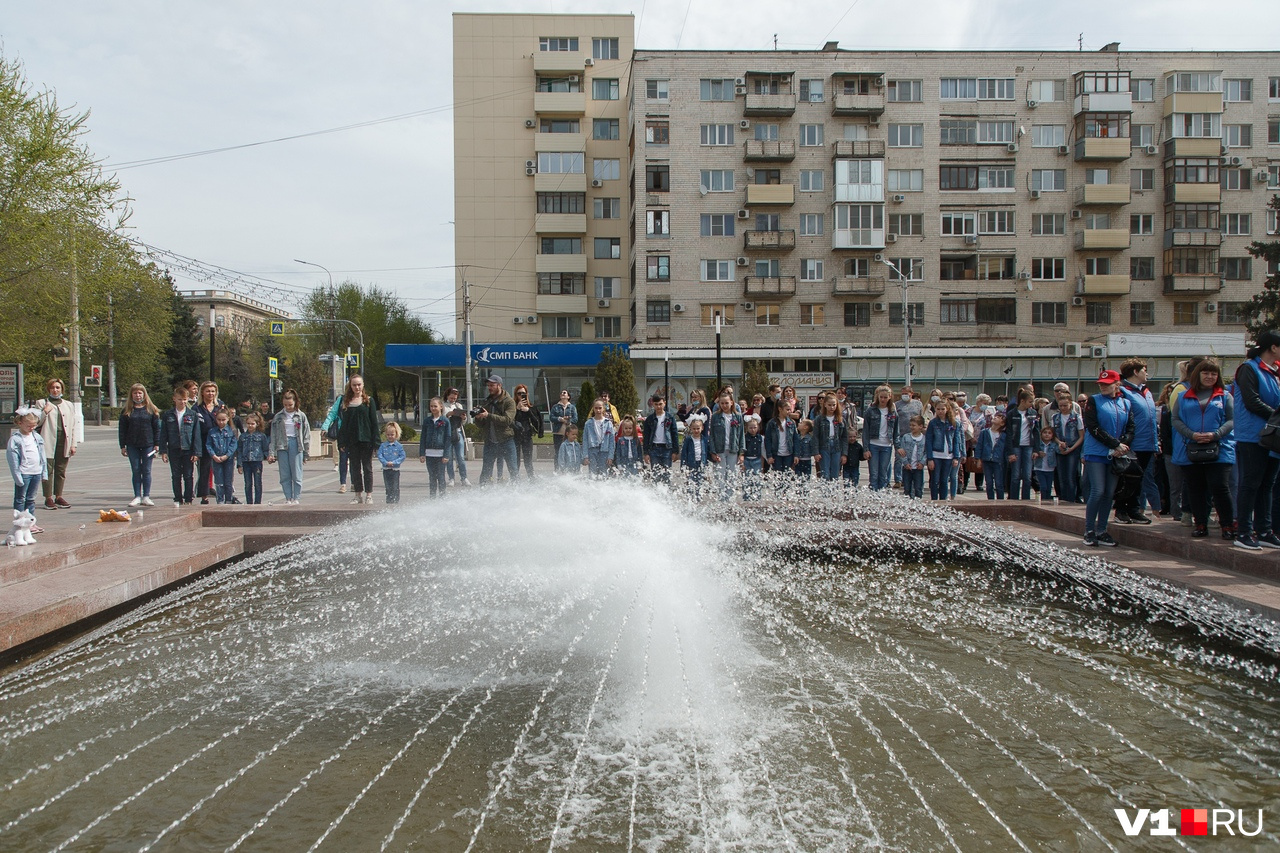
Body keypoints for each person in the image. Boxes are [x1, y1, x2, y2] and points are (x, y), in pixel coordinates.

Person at [1171, 358, 1238, 543]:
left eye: (1213, 373)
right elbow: (1175, 419)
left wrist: (1215, 434)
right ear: (1197, 374)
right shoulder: (1183, 396)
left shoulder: (1225, 396)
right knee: (1196, 488)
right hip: (1191, 448)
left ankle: (1227, 525)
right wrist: (1191, 434)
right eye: (1206, 373)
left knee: (1220, 487)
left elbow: (1231, 420)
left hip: (1220, 449)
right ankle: (1200, 524)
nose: (1209, 377)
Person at [1232, 331, 1280, 548]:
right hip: (1253, 435)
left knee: (1267, 484)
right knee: (1251, 484)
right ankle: (1243, 532)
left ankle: (1264, 530)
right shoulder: (1248, 368)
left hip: (1273, 436)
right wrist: (1277, 418)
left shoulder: (1272, 372)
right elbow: (1252, 401)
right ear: (1273, 347)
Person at [1082, 370, 1135, 547]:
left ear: (1117, 385)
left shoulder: (1126, 403)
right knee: (1098, 490)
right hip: (1096, 452)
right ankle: (1089, 530)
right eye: (1101, 384)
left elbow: (1130, 427)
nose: (1103, 387)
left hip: (1116, 454)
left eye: (1107, 384)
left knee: (1109, 493)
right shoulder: (1094, 401)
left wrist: (1123, 444)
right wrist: (1114, 444)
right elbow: (1092, 426)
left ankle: (1102, 530)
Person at [1113, 358, 1158, 525]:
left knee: (1139, 478)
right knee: (1128, 478)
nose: (1146, 373)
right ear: (1135, 372)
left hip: (1148, 442)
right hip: (1133, 443)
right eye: (1144, 370)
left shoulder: (1146, 392)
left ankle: (1134, 509)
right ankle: (1121, 510)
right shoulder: (1124, 392)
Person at [34, 378, 79, 510]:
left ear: (62, 389)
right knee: (47, 470)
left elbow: (72, 426)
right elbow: (35, 422)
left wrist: (73, 444)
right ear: (49, 389)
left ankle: (58, 496)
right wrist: (44, 412)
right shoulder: (42, 403)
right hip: (47, 440)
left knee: (61, 470)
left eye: (58, 387)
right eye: (53, 387)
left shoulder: (68, 405)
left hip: (64, 440)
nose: (55, 390)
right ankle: (48, 498)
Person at [338, 374, 380, 504]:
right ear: (350, 386)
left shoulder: (368, 401)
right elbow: (344, 424)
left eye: (359, 384)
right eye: (354, 385)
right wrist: (342, 441)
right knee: (355, 468)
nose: (357, 387)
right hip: (352, 440)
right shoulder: (347, 402)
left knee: (367, 468)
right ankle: (357, 494)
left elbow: (374, 422)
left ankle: (369, 495)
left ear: (363, 385)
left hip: (366, 440)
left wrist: (376, 442)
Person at [118, 383, 161, 507]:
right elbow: (122, 430)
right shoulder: (126, 411)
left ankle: (146, 496)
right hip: (132, 445)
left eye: (140, 393)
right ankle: (137, 496)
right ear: (131, 395)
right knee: (136, 470)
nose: (138, 395)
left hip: (148, 444)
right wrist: (122, 446)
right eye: (135, 393)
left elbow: (157, 428)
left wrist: (157, 444)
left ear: (144, 394)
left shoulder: (151, 410)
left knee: (146, 470)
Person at [158, 387, 202, 506]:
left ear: (187, 399)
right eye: (179, 399)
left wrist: (197, 452)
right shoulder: (168, 415)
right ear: (174, 399)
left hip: (188, 449)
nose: (182, 402)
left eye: (184, 399)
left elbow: (196, 435)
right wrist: (163, 451)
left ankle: (188, 499)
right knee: (176, 475)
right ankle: (178, 498)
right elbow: (163, 434)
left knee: (188, 475)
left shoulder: (192, 414)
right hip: (174, 449)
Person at [268, 389, 309, 505]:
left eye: (290, 404)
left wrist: (306, 453)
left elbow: (306, 434)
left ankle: (296, 497)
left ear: (295, 402)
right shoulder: (278, 417)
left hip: (296, 444)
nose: (288, 407)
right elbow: (274, 435)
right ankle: (288, 497)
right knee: (285, 474)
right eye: (285, 405)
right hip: (282, 445)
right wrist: (272, 452)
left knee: (296, 473)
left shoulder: (301, 416)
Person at [474, 374, 517, 485]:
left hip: (506, 441)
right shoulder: (487, 401)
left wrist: (488, 415)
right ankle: (484, 494)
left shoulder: (509, 401)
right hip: (490, 442)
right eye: (488, 385)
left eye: (492, 385)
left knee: (513, 471)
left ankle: (517, 495)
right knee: (486, 472)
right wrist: (478, 418)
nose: (489, 387)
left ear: (499, 385)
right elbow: (481, 425)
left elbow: (507, 420)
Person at [8, 409, 45, 527]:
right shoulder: (16, 439)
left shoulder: (37, 437)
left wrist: (44, 472)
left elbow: (42, 455)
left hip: (36, 471)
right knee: (20, 499)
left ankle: (30, 523)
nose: (32, 428)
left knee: (31, 499)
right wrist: (17, 476)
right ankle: (20, 523)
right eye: (29, 426)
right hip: (24, 472)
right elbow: (13, 460)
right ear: (20, 423)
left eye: (34, 426)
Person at [1050, 392, 1085, 504]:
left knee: (1071, 476)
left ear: (1070, 404)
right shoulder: (1055, 417)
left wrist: (1072, 448)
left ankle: (1070, 499)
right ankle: (1063, 498)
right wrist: (1059, 443)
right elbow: (1053, 434)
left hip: (1073, 449)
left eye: (1065, 405)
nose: (1063, 408)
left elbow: (1081, 436)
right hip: (1060, 448)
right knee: (1061, 476)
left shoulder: (1076, 417)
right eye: (1061, 406)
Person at [708, 393, 744, 500]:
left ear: (732, 403)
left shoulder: (737, 416)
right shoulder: (715, 416)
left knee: (731, 475)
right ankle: (721, 499)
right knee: (720, 475)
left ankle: (729, 499)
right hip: (720, 450)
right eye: (722, 403)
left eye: (726, 403)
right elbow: (712, 436)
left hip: (733, 449)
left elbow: (741, 435)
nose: (724, 405)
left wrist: (741, 453)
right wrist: (713, 452)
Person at [925, 401, 962, 500]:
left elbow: (956, 440)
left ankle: (943, 500)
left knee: (944, 480)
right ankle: (934, 500)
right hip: (936, 455)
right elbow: (928, 440)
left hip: (948, 456)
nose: (940, 411)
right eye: (938, 409)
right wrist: (929, 458)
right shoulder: (933, 423)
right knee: (935, 479)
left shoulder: (954, 422)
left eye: (942, 409)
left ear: (947, 409)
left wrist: (956, 457)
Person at [1005, 389, 1037, 501]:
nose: (1031, 404)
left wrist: (1036, 449)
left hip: (1028, 446)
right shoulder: (1012, 414)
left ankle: (1026, 499)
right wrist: (1010, 452)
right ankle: (1013, 499)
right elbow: (1008, 434)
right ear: (1022, 401)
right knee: (1015, 476)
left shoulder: (1033, 413)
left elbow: (1036, 431)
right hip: (1016, 446)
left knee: (1027, 476)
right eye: (1030, 401)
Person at [864, 385, 898, 491]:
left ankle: (882, 495)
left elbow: (896, 431)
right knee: (874, 473)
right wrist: (866, 449)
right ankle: (873, 495)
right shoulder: (871, 411)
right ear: (877, 397)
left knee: (883, 473)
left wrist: (898, 446)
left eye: (885, 397)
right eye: (881, 397)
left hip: (886, 445)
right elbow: (865, 431)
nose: (883, 399)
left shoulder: (893, 412)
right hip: (873, 444)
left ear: (889, 397)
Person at [418, 396, 452, 498]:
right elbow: (423, 437)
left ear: (441, 406)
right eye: (431, 406)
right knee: (432, 477)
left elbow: (448, 438)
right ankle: (432, 497)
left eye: (435, 406)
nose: (433, 408)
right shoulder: (427, 421)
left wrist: (446, 454)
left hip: (440, 453)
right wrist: (422, 453)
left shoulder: (445, 421)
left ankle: (442, 497)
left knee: (441, 476)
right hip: (429, 453)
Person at [205, 408, 239, 504]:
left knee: (228, 481)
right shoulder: (212, 431)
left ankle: (228, 499)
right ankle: (220, 500)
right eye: (219, 420)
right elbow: (208, 444)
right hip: (216, 458)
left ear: (228, 419)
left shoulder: (232, 431)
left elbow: (234, 445)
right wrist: (213, 455)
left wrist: (227, 455)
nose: (221, 422)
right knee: (219, 481)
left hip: (228, 459)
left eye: (223, 420)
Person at [642, 393, 678, 483]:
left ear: (664, 403)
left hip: (667, 448)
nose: (658, 406)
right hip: (654, 448)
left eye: (660, 404)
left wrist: (675, 451)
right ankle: (656, 495)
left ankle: (666, 495)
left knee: (666, 474)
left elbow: (674, 434)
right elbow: (646, 436)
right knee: (656, 475)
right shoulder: (649, 419)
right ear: (653, 404)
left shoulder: (670, 418)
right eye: (656, 404)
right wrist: (646, 453)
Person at [236, 412, 270, 505]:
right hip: (246, 462)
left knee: (257, 483)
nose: (250, 425)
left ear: (257, 424)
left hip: (257, 462)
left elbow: (265, 449)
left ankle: (257, 502)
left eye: (252, 423)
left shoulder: (261, 436)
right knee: (248, 484)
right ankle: (249, 502)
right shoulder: (243, 436)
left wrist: (269, 457)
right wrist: (239, 464)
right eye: (248, 423)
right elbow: (239, 451)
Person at [320, 392, 351, 494]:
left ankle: (355, 483)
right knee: (343, 458)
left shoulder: (360, 398)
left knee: (355, 460)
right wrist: (325, 427)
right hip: (342, 433)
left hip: (355, 434)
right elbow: (332, 414)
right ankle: (343, 484)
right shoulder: (341, 399)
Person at [893, 386, 923, 487]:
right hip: (901, 434)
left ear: (912, 393)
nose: (905, 395)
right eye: (903, 393)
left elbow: (921, 417)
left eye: (907, 393)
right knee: (899, 457)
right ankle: (898, 479)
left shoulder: (918, 404)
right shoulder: (897, 405)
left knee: (912, 457)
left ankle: (910, 479)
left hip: (915, 435)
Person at [512, 384, 544, 478]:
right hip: (515, 437)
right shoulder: (512, 408)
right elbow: (510, 421)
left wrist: (528, 411)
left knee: (528, 462)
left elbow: (537, 423)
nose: (521, 395)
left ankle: (532, 480)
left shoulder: (532, 408)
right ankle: (515, 480)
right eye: (519, 393)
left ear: (527, 394)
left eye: (523, 393)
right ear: (515, 395)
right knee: (515, 461)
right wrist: (517, 409)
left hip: (527, 436)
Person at [441, 388, 471, 486]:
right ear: (447, 395)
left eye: (455, 398)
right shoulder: (443, 406)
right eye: (451, 397)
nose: (453, 399)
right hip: (448, 433)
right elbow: (441, 419)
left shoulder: (458, 405)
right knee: (449, 458)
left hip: (458, 432)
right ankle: (451, 478)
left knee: (460, 457)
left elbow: (462, 423)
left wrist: (463, 418)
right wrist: (449, 414)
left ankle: (464, 478)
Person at [813, 395, 847, 481]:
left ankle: (834, 494)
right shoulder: (819, 419)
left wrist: (844, 454)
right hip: (824, 447)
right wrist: (816, 452)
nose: (832, 407)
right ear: (825, 405)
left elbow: (844, 437)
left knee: (835, 475)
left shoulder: (841, 419)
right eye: (829, 405)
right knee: (825, 474)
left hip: (837, 447)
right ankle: (826, 494)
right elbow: (815, 436)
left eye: (834, 405)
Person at [977, 411, 1007, 500]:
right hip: (987, 460)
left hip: (998, 461)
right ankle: (990, 500)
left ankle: (1000, 500)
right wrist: (979, 459)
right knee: (989, 482)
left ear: (1002, 423)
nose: (995, 417)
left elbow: (1006, 449)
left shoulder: (1003, 435)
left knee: (999, 483)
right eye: (996, 416)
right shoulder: (984, 432)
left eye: (999, 418)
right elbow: (979, 446)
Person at [679, 415, 710, 499]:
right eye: (694, 428)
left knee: (700, 483)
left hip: (701, 464)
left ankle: (698, 499)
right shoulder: (688, 440)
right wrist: (683, 467)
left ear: (702, 428)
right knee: (690, 482)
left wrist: (708, 467)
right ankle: (690, 499)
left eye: (698, 428)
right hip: (690, 464)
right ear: (690, 428)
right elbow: (684, 454)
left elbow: (707, 453)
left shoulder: (704, 439)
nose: (696, 430)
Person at [583, 398, 616, 477]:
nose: (598, 410)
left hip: (604, 451)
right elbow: (585, 441)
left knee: (603, 474)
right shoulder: (588, 423)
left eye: (600, 408)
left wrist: (610, 456)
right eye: (596, 408)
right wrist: (585, 456)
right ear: (593, 409)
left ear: (603, 409)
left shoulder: (608, 423)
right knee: (593, 474)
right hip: (592, 450)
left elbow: (612, 441)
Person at [765, 403, 798, 476]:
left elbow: (795, 439)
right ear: (780, 409)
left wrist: (796, 455)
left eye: (790, 409)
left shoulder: (791, 423)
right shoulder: (772, 423)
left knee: (788, 476)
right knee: (778, 476)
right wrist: (769, 455)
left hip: (789, 454)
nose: (789, 411)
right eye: (787, 409)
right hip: (776, 454)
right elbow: (767, 440)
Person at [899, 415, 927, 499]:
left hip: (918, 468)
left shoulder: (924, 439)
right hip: (907, 468)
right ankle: (907, 504)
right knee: (907, 488)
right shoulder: (906, 437)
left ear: (920, 426)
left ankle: (918, 504)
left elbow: (926, 452)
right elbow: (902, 452)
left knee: (918, 487)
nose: (911, 427)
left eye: (914, 425)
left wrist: (922, 463)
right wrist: (905, 463)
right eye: (910, 425)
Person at [549, 389, 577, 472]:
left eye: (565, 393)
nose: (563, 394)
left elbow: (576, 419)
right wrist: (560, 419)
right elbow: (551, 417)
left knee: (569, 451)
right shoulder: (555, 407)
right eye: (561, 393)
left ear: (568, 396)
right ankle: (557, 470)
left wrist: (568, 421)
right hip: (558, 432)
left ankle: (569, 469)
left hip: (569, 433)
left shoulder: (572, 407)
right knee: (558, 451)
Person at [378, 422, 406, 504]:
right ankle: (389, 500)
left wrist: (394, 462)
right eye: (388, 435)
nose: (390, 436)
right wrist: (385, 462)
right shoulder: (383, 445)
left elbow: (402, 456)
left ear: (396, 434)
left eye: (392, 434)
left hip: (395, 469)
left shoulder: (399, 446)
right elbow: (380, 455)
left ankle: (396, 500)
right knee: (388, 486)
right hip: (386, 469)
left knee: (395, 486)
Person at [1033, 425, 1059, 503]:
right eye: (1045, 432)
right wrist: (1038, 452)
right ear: (1041, 434)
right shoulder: (1038, 444)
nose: (1047, 434)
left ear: (1052, 436)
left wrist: (1063, 447)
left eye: (1049, 433)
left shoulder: (1054, 445)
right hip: (1039, 468)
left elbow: (1059, 451)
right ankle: (1043, 500)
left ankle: (1047, 501)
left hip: (1050, 469)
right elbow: (1033, 452)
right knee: (1043, 487)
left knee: (1048, 487)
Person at [742, 414, 765, 500]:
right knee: (747, 479)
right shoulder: (744, 437)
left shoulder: (761, 438)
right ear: (747, 428)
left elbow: (763, 451)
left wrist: (763, 464)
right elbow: (742, 450)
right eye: (750, 428)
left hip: (757, 460)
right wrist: (742, 463)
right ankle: (747, 497)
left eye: (755, 427)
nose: (753, 429)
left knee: (757, 479)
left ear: (758, 427)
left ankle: (757, 497)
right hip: (747, 460)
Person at [793, 419, 816, 484]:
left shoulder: (810, 438)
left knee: (807, 478)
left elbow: (812, 448)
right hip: (798, 461)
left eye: (801, 423)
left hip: (807, 460)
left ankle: (806, 492)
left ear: (805, 427)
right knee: (798, 478)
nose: (799, 423)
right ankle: (799, 492)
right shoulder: (797, 437)